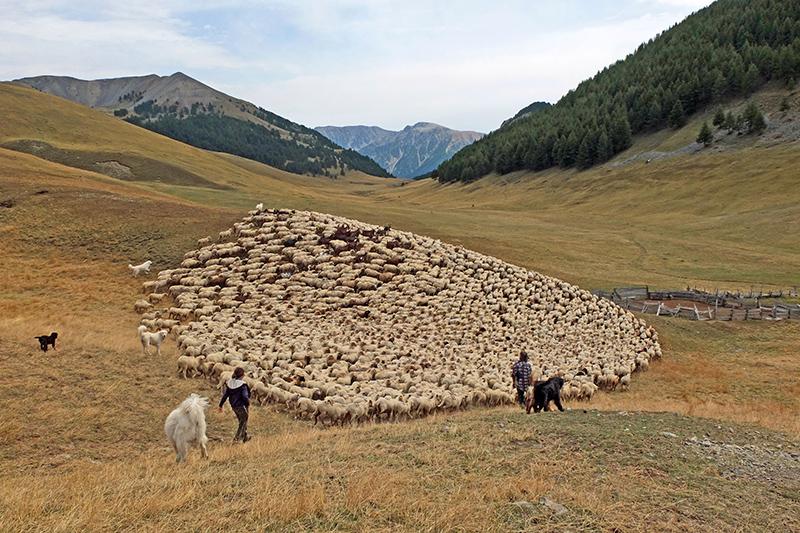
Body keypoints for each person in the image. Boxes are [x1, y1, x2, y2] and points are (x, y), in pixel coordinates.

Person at [218, 367, 251, 442]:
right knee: (243, 421)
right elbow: (245, 396)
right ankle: (236, 439)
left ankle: (245, 437)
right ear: (242, 375)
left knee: (242, 420)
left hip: (233, 406)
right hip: (241, 406)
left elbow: (225, 395)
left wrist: (220, 405)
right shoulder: (243, 385)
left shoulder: (230, 383)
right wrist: (247, 403)